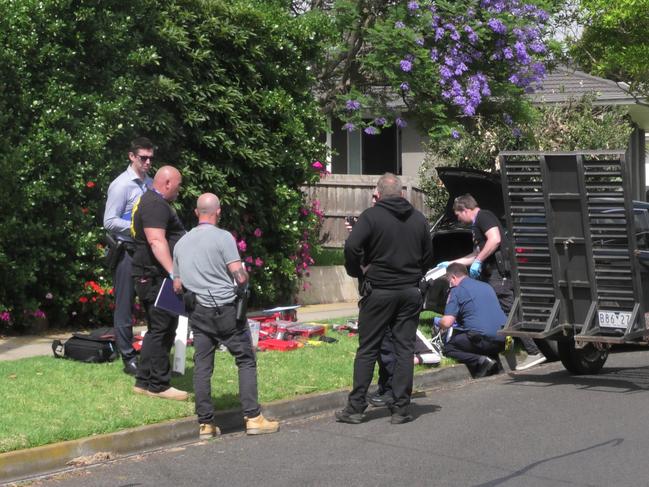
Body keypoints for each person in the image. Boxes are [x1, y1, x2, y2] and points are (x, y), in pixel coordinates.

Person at [172, 193, 279, 438]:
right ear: (218, 212)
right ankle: (253, 417)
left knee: (202, 366)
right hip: (226, 311)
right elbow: (239, 276)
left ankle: (206, 424)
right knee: (245, 359)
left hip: (198, 312)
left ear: (196, 213)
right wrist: (244, 277)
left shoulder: (181, 243)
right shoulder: (223, 238)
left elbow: (177, 286)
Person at [336, 173, 434, 425]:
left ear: (377, 194)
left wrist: (358, 271)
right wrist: (415, 273)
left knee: (368, 349)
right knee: (404, 350)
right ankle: (401, 408)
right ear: (401, 194)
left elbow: (351, 247)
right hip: (410, 291)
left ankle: (355, 408)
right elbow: (428, 256)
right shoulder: (419, 219)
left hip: (378, 291)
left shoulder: (371, 216)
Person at [442, 194, 546, 371]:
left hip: (499, 276)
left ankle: (533, 351)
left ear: (465, 209)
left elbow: (495, 239)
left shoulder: (484, 216)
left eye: (458, 215)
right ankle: (505, 349)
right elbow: (476, 254)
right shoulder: (477, 225)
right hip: (493, 276)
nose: (458, 219)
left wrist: (479, 261)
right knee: (500, 314)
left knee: (510, 312)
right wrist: (453, 263)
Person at [130, 165, 188, 400]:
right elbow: (156, 241)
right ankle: (159, 385)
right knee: (162, 329)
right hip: (155, 277)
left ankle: (144, 381)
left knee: (159, 328)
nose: (179, 189)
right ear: (166, 183)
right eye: (178, 184)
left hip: (154, 275)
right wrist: (174, 273)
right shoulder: (154, 204)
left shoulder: (154, 202)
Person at [103, 137, 154, 375]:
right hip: (125, 251)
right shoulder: (121, 185)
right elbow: (109, 221)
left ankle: (151, 351)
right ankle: (128, 357)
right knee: (124, 305)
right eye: (143, 158)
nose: (147, 162)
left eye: (150, 158)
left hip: (145, 251)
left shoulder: (150, 184)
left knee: (150, 301)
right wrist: (136, 226)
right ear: (131, 156)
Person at [436, 263, 507, 378]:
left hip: (483, 341)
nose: (450, 283)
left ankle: (481, 361)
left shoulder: (457, 290)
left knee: (448, 346)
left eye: (449, 280)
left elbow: (447, 322)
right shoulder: (486, 286)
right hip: (503, 340)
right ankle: (495, 364)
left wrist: (439, 322)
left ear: (453, 277)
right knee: (477, 332)